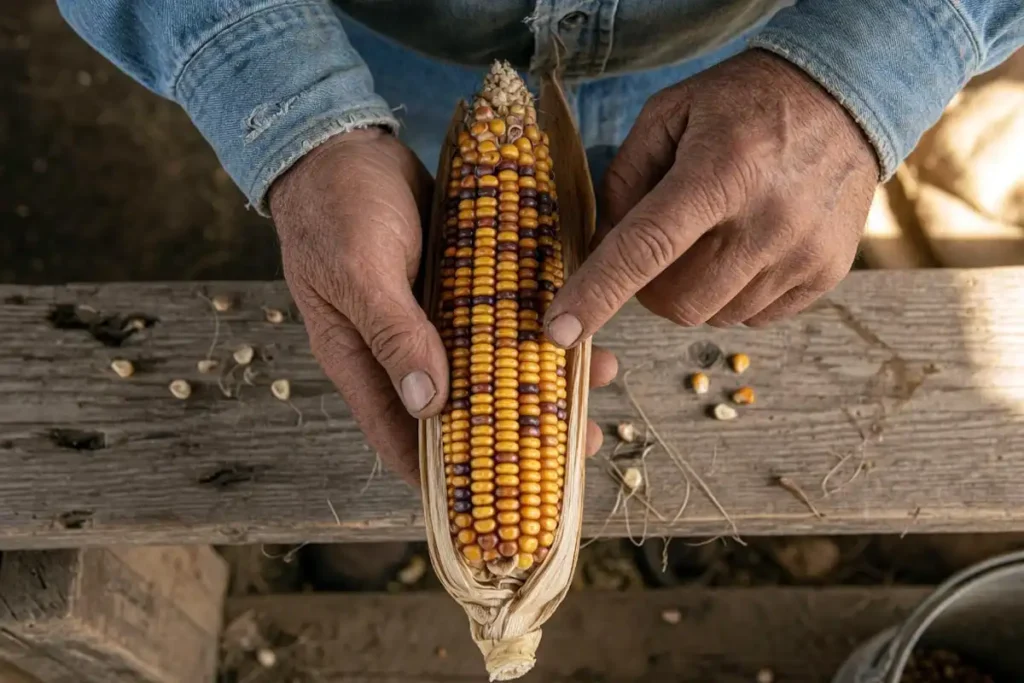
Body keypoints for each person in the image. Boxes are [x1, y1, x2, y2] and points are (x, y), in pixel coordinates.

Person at [60, 2, 1022, 482]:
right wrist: (295, 120)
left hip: (765, 40)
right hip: (376, 51)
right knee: (394, 252)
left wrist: (881, 58)